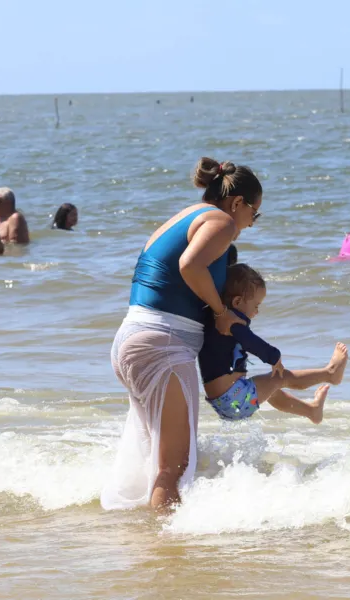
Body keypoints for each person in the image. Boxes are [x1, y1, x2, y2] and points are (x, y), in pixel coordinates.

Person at [102, 157, 262, 513]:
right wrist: (222, 314)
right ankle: (167, 560)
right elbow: (189, 265)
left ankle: (148, 547)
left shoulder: (187, 214)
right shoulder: (220, 221)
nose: (251, 223)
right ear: (237, 203)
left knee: (157, 461)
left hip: (135, 339)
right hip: (163, 345)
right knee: (173, 467)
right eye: (255, 213)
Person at [200, 264, 348, 424]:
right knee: (280, 377)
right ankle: (330, 374)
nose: (257, 312)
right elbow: (251, 342)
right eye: (256, 306)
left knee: (272, 390)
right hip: (235, 398)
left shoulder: (211, 316)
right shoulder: (231, 321)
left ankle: (311, 411)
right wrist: (273, 356)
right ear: (237, 302)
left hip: (224, 403)